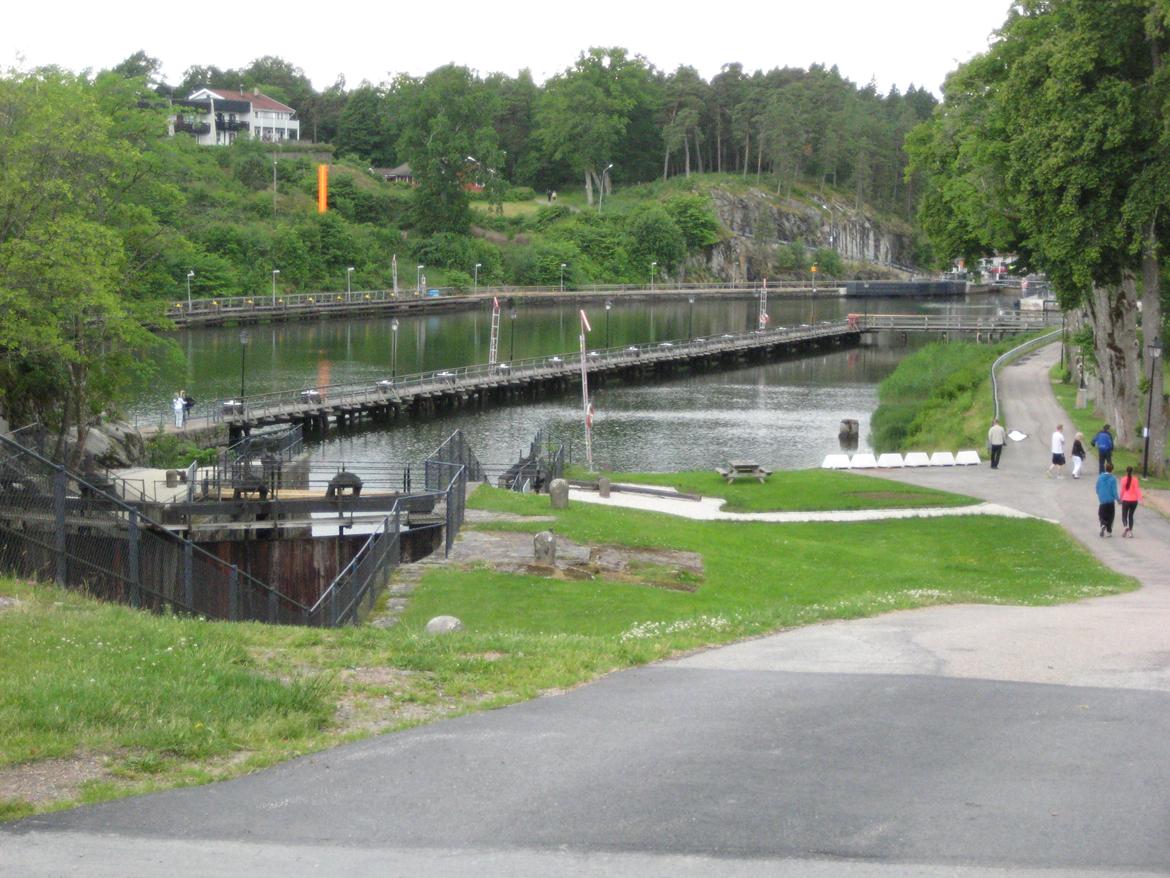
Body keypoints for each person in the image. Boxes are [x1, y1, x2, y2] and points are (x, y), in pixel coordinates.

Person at [1095, 461, 1120, 537]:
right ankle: (1109, 531)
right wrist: (1118, 499)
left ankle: (1103, 524)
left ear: (1105, 469)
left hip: (1102, 501)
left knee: (1101, 514)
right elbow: (1114, 491)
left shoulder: (1100, 477)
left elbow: (1097, 488)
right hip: (1110, 501)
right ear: (1112, 470)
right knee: (1110, 516)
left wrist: (1100, 495)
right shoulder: (1113, 479)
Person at [1119, 466, 1143, 538]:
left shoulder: (1123, 479)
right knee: (1131, 516)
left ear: (1126, 472)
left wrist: (1120, 498)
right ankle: (1130, 532)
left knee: (1124, 515)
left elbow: (1122, 490)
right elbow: (1137, 490)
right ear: (1132, 472)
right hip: (1134, 500)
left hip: (1126, 500)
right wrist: (1140, 498)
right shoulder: (1135, 480)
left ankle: (1126, 527)